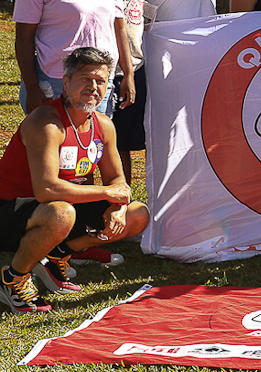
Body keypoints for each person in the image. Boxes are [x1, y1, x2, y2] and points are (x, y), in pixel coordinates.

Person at [0, 47, 149, 313]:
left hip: (59, 209)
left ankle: (57, 254)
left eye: (100, 81)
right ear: (66, 83)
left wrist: (118, 207)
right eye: (84, 79)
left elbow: (117, 180)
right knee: (61, 213)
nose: (93, 87)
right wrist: (108, 193)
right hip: (11, 211)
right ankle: (13, 279)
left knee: (137, 215)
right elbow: (46, 189)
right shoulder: (46, 122)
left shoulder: (103, 125)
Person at [89, 0, 150, 192]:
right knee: (91, 140)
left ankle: (120, 201)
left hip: (132, 64)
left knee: (122, 140)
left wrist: (130, 70)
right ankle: (88, 201)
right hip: (97, 65)